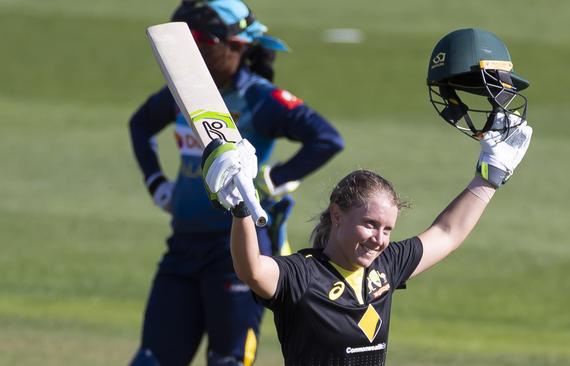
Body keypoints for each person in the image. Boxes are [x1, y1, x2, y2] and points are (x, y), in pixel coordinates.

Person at [201, 28, 533, 365]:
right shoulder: (303, 276)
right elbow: (252, 271)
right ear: (337, 215)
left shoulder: (385, 268)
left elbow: (447, 233)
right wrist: (240, 209)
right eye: (371, 225)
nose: (379, 239)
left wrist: (489, 178)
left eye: (387, 229)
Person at [128, 0, 344, 365]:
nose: (188, 53)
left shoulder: (259, 98)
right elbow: (140, 124)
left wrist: (272, 180)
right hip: (182, 248)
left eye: (198, 40)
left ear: (237, 45)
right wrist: (156, 184)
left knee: (227, 360)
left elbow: (326, 138)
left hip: (236, 255)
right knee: (152, 360)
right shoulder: (184, 96)